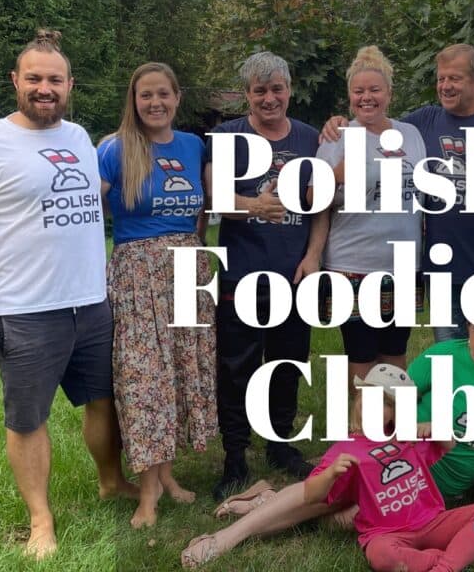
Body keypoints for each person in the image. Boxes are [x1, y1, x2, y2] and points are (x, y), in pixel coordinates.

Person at [181, 299, 474, 567]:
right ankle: (226, 539)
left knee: (334, 521)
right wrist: (409, 430)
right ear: (469, 329)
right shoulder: (444, 355)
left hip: (428, 498)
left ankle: (266, 498)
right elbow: (387, 396)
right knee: (319, 498)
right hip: (393, 458)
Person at [0, 29, 136, 559]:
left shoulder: (77, 137)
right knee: (28, 417)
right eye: (33, 79)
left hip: (91, 301)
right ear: (15, 82)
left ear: (69, 85)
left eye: (54, 80)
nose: (44, 88)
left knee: (104, 400)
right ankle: (40, 521)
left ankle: (111, 481)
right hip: (23, 309)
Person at [323, 44, 474, 343]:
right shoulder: (423, 122)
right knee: (449, 359)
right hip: (442, 271)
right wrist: (339, 122)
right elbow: (375, 122)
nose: (445, 86)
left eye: (454, 79)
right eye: (441, 79)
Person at [97, 62, 218, 528]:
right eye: (146, 95)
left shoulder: (193, 145)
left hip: (188, 265)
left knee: (181, 372)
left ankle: (167, 476)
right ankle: (147, 492)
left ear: (177, 97)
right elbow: (88, 206)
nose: (155, 103)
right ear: (134, 100)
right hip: (138, 270)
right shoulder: (115, 149)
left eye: (163, 94)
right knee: (145, 378)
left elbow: (206, 204)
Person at [207, 51, 326, 500]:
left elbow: (323, 205)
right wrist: (256, 205)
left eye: (277, 89)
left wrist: (314, 254)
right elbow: (215, 198)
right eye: (260, 91)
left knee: (287, 362)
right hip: (242, 275)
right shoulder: (226, 136)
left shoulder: (312, 138)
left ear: (289, 90)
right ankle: (234, 454)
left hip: (294, 274)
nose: (270, 98)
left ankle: (280, 443)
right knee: (236, 367)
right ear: (247, 95)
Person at [311, 46, 426, 384]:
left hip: (404, 262)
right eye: (358, 91)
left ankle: (393, 431)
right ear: (349, 97)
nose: (366, 98)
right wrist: (337, 173)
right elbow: (311, 199)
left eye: (374, 90)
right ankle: (363, 432)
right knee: (362, 358)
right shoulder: (337, 137)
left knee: (394, 352)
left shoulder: (412, 134)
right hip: (353, 263)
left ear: (389, 93)